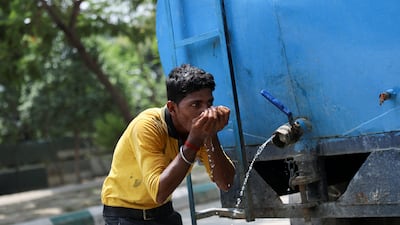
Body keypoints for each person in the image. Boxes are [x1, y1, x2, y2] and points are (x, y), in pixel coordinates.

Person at [101, 64, 236, 225]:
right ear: (172, 108)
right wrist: (193, 141)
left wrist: (211, 135)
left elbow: (225, 182)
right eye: (196, 105)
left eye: (209, 103)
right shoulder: (148, 126)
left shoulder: (199, 130)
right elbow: (158, 192)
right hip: (125, 215)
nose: (205, 112)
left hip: (163, 211)